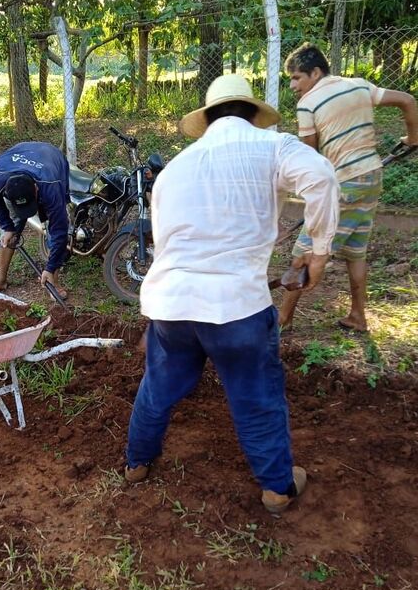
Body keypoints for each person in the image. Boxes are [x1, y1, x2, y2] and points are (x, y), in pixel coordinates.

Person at [124, 74, 340, 514]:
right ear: (252, 114)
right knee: (256, 393)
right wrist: (318, 252)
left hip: (172, 306)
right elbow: (321, 176)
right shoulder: (273, 147)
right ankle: (278, 487)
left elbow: (168, 245)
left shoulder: (176, 170)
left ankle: (136, 463)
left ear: (208, 119)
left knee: (158, 386)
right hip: (236, 308)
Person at [280, 43, 418, 333]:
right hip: (371, 177)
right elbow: (407, 100)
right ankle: (357, 316)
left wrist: (312, 197)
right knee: (356, 250)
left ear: (315, 72)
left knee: (304, 250)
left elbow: (311, 159)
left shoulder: (308, 103)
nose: (293, 86)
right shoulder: (358, 85)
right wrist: (413, 138)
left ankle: (282, 321)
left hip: (342, 183)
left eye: (296, 78)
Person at [0, 141, 70, 297]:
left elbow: (59, 230)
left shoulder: (51, 185)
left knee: (53, 224)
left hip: (51, 157)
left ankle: (53, 280)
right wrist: (8, 227)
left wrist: (49, 268)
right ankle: (0, 279)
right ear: (6, 191)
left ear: (36, 190)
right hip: (21, 153)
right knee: (10, 226)